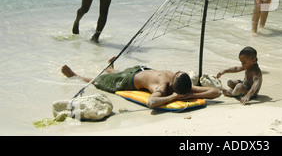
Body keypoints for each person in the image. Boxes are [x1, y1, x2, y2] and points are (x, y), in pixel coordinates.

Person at [61, 57, 221, 109]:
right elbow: (217, 92)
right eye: (178, 73)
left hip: (129, 79)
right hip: (141, 70)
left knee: (98, 80)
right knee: (117, 73)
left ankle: (76, 75)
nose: (177, 72)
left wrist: (176, 97)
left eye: (178, 73)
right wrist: (189, 94)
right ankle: (111, 69)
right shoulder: (180, 82)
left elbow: (152, 102)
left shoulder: (164, 86)